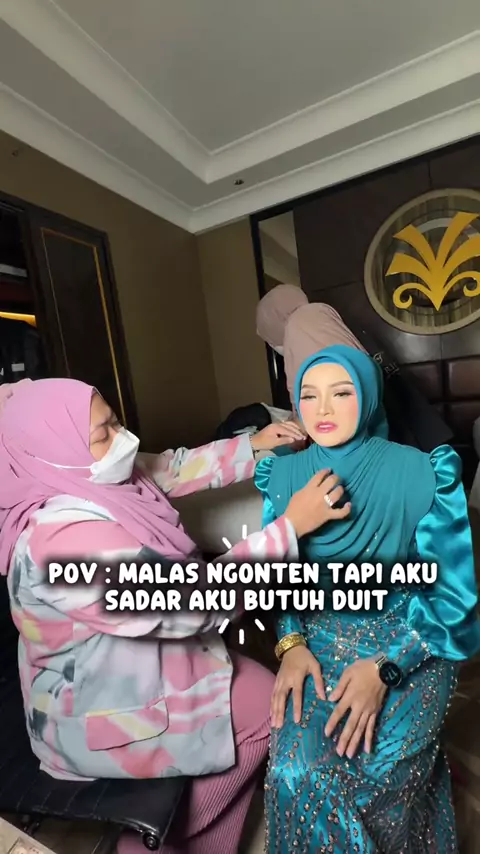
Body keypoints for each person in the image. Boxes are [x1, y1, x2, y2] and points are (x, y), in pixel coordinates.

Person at [0, 378, 330, 854]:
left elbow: (163, 468)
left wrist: (252, 445)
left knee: (258, 699)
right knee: (266, 710)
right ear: (56, 450)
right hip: (92, 713)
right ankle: (147, 845)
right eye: (103, 433)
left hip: (123, 664)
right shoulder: (60, 541)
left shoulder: (84, 477)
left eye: (115, 421)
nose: (123, 438)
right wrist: (291, 528)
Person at [254, 344, 480, 853]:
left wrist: (387, 667)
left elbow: (452, 598)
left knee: (381, 773)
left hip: (412, 639)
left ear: (369, 396)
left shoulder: (424, 473)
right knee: (294, 772)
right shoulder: (282, 477)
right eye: (309, 396)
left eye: (341, 393)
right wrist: (291, 643)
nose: (323, 409)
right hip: (318, 640)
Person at [256, 285, 454, 452]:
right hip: (402, 425)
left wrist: (292, 431)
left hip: (371, 445)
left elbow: (321, 407)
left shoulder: (300, 325)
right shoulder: (322, 314)